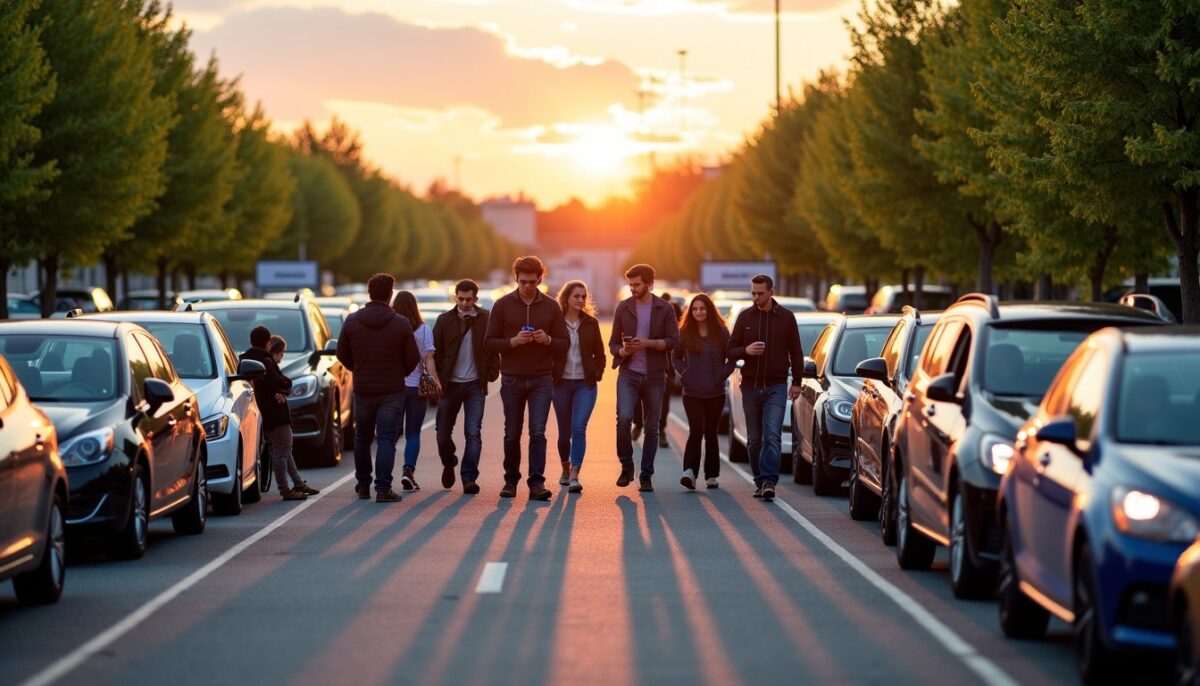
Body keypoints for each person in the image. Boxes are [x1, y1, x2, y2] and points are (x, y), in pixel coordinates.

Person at [484, 256, 568, 500]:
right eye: (523, 282)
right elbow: (489, 342)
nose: (528, 286)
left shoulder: (551, 306)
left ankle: (536, 483)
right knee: (512, 432)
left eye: (532, 282)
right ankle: (510, 481)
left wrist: (548, 340)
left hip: (542, 378)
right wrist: (513, 341)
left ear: (540, 279)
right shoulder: (502, 305)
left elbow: (564, 343)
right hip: (512, 378)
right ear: (516, 279)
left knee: (538, 432)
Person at [336, 273, 421, 503]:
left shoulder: (352, 321)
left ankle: (363, 484)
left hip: (363, 388)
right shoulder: (400, 323)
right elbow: (413, 357)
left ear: (369, 292)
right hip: (391, 390)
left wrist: (359, 369)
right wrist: (398, 373)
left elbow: (341, 354)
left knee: (362, 437)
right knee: (386, 438)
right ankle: (383, 488)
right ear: (390, 294)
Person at [727, 274, 804, 501]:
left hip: (776, 386)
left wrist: (797, 382)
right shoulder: (745, 317)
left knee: (772, 435)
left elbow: (796, 352)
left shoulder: (786, 318)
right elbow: (730, 350)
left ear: (771, 292)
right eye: (753, 293)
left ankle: (769, 481)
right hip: (750, 386)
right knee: (754, 439)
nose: (756, 297)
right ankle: (759, 480)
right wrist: (746, 351)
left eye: (760, 293)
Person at [609, 263, 679, 492]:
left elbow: (673, 341)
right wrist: (623, 351)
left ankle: (646, 474)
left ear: (649, 284)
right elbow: (613, 343)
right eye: (630, 284)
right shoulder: (623, 307)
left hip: (655, 375)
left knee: (652, 426)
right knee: (624, 419)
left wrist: (647, 343)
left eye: (637, 284)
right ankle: (627, 465)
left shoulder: (665, 308)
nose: (632, 288)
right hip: (628, 373)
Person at [433, 279, 499, 494]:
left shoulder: (486, 318)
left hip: (474, 385)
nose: (464, 303)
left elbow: (493, 347)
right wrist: (440, 377)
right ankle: (449, 462)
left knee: (473, 432)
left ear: (475, 299)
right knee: (443, 434)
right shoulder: (444, 320)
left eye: (468, 299)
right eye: (460, 299)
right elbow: (436, 352)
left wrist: (491, 372)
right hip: (450, 385)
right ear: (456, 298)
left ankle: (469, 477)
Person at [240, 327, 318, 501]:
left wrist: (282, 388)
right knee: (282, 450)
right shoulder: (266, 360)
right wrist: (285, 386)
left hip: (255, 412)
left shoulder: (243, 360)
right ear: (268, 343)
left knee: (284, 449)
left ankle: (298, 483)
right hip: (275, 412)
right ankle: (285, 489)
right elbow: (280, 381)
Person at [673, 294, 734, 490]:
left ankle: (711, 475)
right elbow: (675, 357)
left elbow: (732, 357)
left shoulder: (722, 332)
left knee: (711, 433)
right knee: (696, 430)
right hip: (692, 392)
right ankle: (689, 472)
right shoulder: (685, 332)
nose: (698, 312)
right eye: (695, 309)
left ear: (709, 310)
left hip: (715, 392)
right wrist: (685, 373)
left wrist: (722, 374)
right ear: (691, 312)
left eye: (702, 308)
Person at [552, 280, 606, 494]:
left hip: (585, 384)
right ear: (566, 298)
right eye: (576, 296)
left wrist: (597, 373)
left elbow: (600, 354)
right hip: (561, 384)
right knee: (564, 433)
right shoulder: (555, 323)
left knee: (578, 428)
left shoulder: (590, 323)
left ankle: (575, 473)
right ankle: (565, 468)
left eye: (584, 296)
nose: (581, 300)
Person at [391, 290, 441, 492]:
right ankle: (408, 471)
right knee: (413, 432)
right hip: (417, 389)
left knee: (389, 435)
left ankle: (382, 475)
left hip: (394, 388)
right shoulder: (424, 330)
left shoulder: (391, 328)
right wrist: (436, 382)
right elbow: (429, 359)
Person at [632, 291, 684, 449]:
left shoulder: (673, 311)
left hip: (664, 367)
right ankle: (638, 424)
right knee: (636, 399)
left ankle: (661, 431)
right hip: (640, 365)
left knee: (663, 402)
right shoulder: (645, 312)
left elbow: (677, 339)